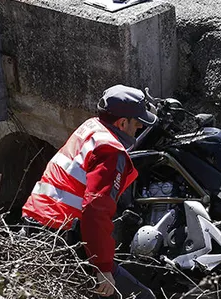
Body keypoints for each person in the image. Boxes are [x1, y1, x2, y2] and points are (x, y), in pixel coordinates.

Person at [21, 84, 157, 299]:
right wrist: (102, 268)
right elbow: (95, 212)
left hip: (35, 223)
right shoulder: (111, 151)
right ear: (122, 122)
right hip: (60, 237)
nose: (140, 126)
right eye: (137, 121)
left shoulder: (91, 127)